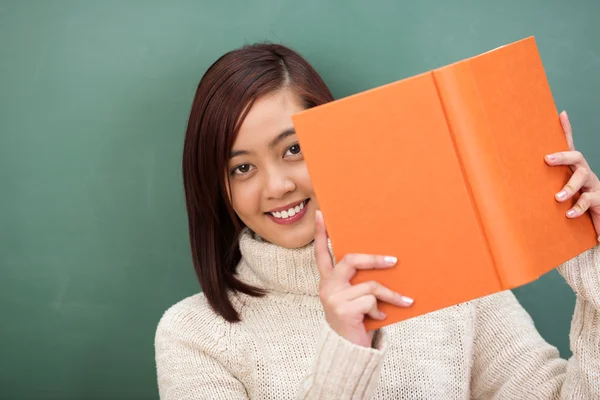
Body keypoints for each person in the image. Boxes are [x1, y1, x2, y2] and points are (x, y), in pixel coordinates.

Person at [154, 43, 600, 399]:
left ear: (335, 144)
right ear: (218, 187)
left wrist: (591, 259)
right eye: (242, 168)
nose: (276, 187)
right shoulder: (195, 335)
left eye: (293, 150)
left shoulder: (452, 272)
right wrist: (345, 353)